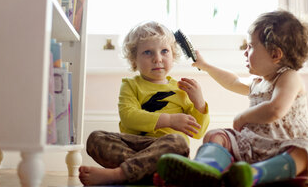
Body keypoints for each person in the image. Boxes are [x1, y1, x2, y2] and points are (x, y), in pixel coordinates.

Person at [157, 10, 308, 186]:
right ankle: (207, 168)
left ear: (275, 54)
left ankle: (255, 174)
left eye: (251, 46)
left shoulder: (289, 77)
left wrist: (243, 117)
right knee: (216, 136)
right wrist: (206, 66)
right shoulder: (258, 82)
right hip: (253, 146)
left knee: (304, 152)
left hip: (283, 146)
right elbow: (233, 81)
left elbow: (276, 109)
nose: (245, 52)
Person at [79, 21, 210, 185]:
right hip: (135, 146)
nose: (157, 59)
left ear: (173, 55)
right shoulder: (130, 85)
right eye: (148, 52)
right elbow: (129, 117)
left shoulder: (181, 90)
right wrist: (169, 120)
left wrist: (199, 102)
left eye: (164, 51)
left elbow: (197, 132)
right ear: (134, 59)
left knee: (179, 142)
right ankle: (152, 174)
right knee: (95, 138)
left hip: (168, 149)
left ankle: (120, 174)